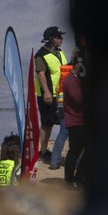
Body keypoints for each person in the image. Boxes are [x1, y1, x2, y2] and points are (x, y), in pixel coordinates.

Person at [32, 27, 69, 171]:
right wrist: (46, 92)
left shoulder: (59, 52)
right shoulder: (41, 55)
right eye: (58, 36)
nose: (61, 39)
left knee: (60, 122)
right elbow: (41, 74)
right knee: (47, 123)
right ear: (51, 38)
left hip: (60, 94)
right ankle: (43, 151)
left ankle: (50, 151)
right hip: (48, 95)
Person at [59, 52, 89, 188]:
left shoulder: (80, 79)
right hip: (76, 121)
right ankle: (70, 179)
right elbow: (78, 100)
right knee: (75, 151)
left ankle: (79, 177)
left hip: (82, 120)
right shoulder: (71, 80)